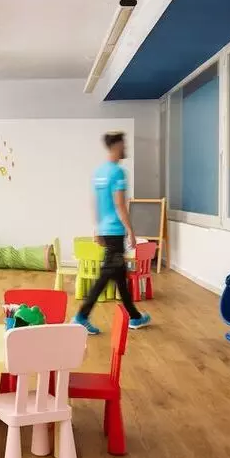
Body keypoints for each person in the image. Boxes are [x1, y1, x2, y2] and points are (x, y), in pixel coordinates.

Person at [71, 131, 151, 335]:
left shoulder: (99, 172)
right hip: (115, 231)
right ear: (116, 147)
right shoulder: (118, 172)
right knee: (107, 274)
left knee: (120, 275)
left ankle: (134, 317)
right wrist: (131, 231)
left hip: (106, 230)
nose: (126, 148)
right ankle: (81, 316)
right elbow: (119, 204)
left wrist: (97, 228)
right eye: (124, 145)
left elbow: (96, 203)